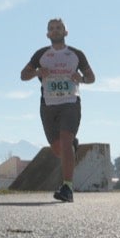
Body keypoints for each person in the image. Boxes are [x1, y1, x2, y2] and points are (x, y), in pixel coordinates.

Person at [19, 17, 95, 203]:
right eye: (51, 28)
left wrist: (81, 79)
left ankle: (67, 187)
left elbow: (91, 77)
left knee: (66, 141)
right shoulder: (41, 54)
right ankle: (71, 147)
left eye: (59, 28)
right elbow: (23, 75)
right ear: (47, 34)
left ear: (65, 32)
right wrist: (37, 72)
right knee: (57, 148)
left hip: (70, 103)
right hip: (48, 105)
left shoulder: (76, 54)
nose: (55, 30)